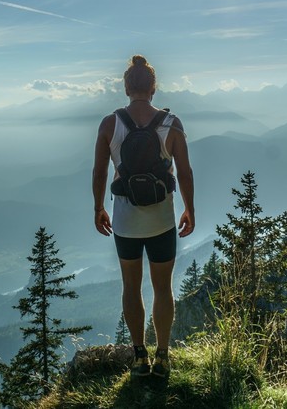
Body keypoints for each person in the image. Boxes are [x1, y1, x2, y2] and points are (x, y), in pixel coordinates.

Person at [92, 55, 195, 380]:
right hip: (162, 221)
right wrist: (189, 208)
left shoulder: (111, 124)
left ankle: (139, 357)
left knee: (131, 287)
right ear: (153, 87)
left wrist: (98, 207)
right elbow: (185, 171)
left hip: (125, 222)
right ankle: (162, 356)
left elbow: (99, 170)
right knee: (163, 289)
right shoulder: (172, 124)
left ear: (126, 87)